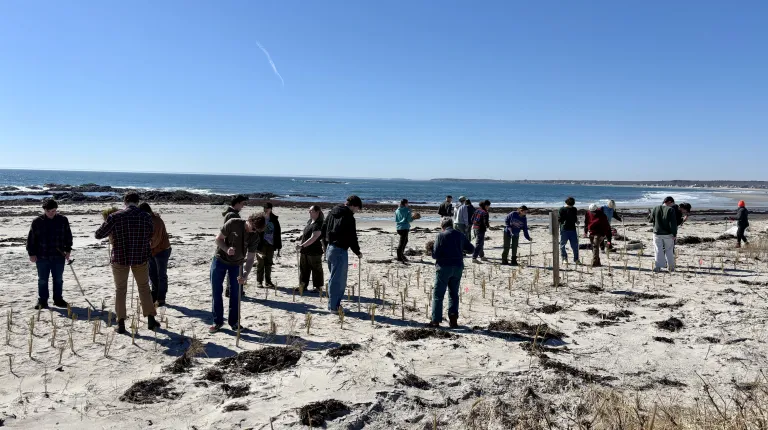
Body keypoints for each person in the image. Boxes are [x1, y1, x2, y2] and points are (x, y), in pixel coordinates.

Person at [95, 192, 159, 334]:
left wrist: (112, 230)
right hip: (140, 257)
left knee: (120, 290)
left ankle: (121, 323)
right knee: (144, 288)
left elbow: (98, 234)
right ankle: (150, 319)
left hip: (120, 257)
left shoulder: (115, 216)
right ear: (137, 202)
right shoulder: (146, 217)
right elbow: (151, 234)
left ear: (125, 202)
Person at [210, 212, 266, 333]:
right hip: (220, 260)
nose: (254, 231)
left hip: (237, 265)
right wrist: (226, 248)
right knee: (216, 291)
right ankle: (217, 322)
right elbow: (218, 239)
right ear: (250, 221)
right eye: (253, 228)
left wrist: (245, 275)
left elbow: (250, 258)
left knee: (235, 293)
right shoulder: (233, 223)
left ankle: (234, 322)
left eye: (257, 230)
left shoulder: (254, 236)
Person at [428, 217, 475, 328]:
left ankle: (435, 320)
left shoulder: (440, 235)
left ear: (442, 226)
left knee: (438, 295)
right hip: (458, 266)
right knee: (453, 294)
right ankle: (453, 320)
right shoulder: (460, 235)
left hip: (444, 267)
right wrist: (460, 249)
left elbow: (435, 255)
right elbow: (471, 249)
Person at [26, 199, 72, 310]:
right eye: (49, 211)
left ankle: (58, 299)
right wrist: (31, 253)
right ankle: (42, 301)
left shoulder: (63, 220)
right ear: (44, 210)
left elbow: (68, 236)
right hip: (42, 256)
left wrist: (68, 250)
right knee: (42, 279)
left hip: (59, 256)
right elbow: (31, 239)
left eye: (54, 211)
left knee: (58, 279)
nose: (52, 213)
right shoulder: (37, 221)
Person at [322, 195, 363, 312]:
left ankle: (333, 305)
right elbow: (352, 237)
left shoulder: (333, 211)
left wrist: (325, 246)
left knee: (333, 279)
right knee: (338, 281)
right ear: (353, 206)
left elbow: (324, 228)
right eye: (357, 209)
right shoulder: (349, 217)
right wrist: (358, 252)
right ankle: (334, 307)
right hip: (339, 250)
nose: (356, 212)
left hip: (330, 248)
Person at [139, 203, 172, 307]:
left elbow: (156, 240)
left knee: (161, 275)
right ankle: (154, 296)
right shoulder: (146, 219)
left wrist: (144, 248)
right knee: (152, 274)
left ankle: (161, 298)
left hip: (162, 250)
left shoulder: (156, 221)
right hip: (152, 251)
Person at [296, 206, 325, 292]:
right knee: (304, 268)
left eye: (311, 211)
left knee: (316, 269)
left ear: (317, 212)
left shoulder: (319, 224)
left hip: (314, 251)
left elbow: (314, 237)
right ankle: (303, 285)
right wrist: (301, 237)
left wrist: (302, 246)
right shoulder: (310, 222)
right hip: (305, 250)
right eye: (309, 210)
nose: (309, 212)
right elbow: (308, 233)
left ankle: (318, 287)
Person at [649, 196, 678, 272]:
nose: (673, 205)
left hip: (657, 233)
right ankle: (671, 267)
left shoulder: (655, 208)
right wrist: (674, 234)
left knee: (658, 250)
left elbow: (650, 219)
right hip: (668, 234)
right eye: (672, 203)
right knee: (669, 250)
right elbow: (673, 223)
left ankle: (658, 267)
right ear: (669, 202)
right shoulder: (671, 210)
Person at [256, 202, 282, 288]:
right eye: (264, 207)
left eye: (267, 208)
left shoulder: (274, 219)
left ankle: (268, 281)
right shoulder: (260, 218)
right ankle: (259, 281)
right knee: (260, 263)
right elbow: (255, 231)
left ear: (271, 209)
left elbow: (278, 233)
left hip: (271, 244)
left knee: (269, 263)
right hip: (261, 244)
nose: (266, 209)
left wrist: (279, 245)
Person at [558, 197, 579, 263]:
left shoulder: (574, 209)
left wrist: (577, 221)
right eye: (570, 205)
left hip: (573, 229)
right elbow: (559, 219)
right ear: (566, 203)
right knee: (562, 245)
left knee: (575, 245)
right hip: (564, 229)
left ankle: (576, 259)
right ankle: (564, 258)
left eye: (572, 205)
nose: (571, 206)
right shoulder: (562, 209)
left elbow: (575, 217)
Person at [395, 199, 414, 263]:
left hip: (398, 227)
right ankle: (399, 257)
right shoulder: (407, 210)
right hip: (404, 227)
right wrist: (413, 217)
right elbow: (409, 220)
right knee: (402, 243)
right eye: (407, 203)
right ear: (405, 203)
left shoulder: (397, 210)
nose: (408, 204)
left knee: (405, 241)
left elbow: (396, 218)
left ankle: (401, 255)